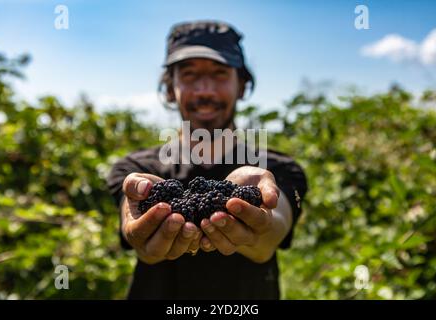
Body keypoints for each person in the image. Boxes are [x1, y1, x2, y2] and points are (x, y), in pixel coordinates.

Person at [107, 20, 308, 299]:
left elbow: (269, 236)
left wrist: (260, 228)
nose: (205, 90)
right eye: (189, 75)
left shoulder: (279, 169)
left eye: (220, 74)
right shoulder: (136, 169)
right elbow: (136, 234)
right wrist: (139, 233)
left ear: (242, 85)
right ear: (169, 87)